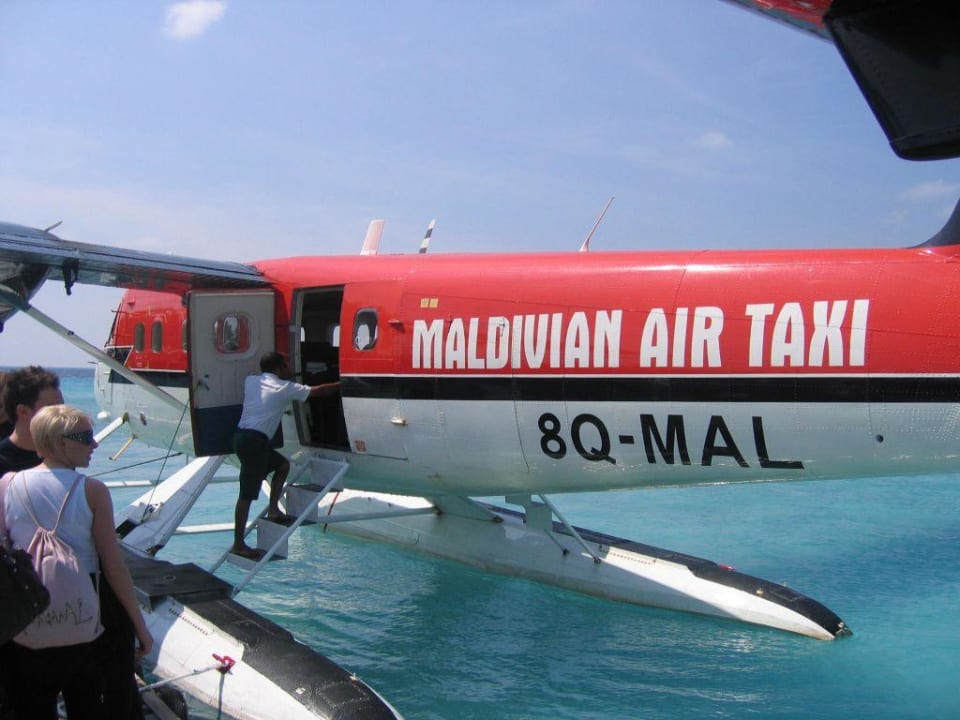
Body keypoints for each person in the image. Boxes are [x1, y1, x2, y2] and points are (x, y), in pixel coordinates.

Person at [3, 405, 153, 720]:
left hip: (26, 609)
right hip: (87, 610)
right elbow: (113, 566)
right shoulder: (92, 490)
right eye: (86, 437)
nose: (95, 444)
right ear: (61, 443)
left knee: (30, 707)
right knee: (90, 705)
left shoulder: (7, 484)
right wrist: (141, 627)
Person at [231, 351, 340, 559]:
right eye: (286, 365)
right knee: (246, 495)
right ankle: (238, 544)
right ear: (279, 368)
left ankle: (273, 509)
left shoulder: (251, 381)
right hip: (254, 442)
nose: (289, 368)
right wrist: (343, 384)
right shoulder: (283, 388)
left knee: (282, 465)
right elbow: (319, 391)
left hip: (242, 438)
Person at [0, 366, 63, 474]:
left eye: (62, 406)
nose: (63, 414)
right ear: (23, 411)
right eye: (52, 408)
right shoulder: (3, 462)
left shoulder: (62, 458)